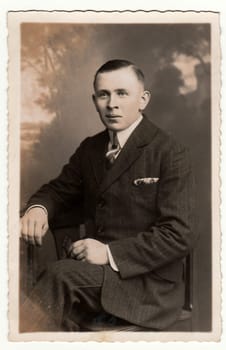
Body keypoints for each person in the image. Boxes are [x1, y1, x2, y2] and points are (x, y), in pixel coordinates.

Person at [20, 59, 196, 332]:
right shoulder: (91, 148)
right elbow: (58, 190)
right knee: (51, 298)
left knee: (59, 276)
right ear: (95, 100)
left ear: (143, 99)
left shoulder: (169, 152)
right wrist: (39, 208)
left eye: (122, 93)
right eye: (104, 95)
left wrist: (110, 252)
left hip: (147, 284)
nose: (112, 103)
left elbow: (178, 234)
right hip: (97, 275)